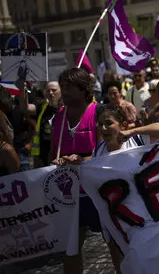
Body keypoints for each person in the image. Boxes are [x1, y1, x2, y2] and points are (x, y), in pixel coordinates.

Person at [92, 104, 159, 274]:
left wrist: (133, 131)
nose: (103, 128)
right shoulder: (98, 151)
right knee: (121, 262)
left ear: (122, 125)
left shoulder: (137, 141)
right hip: (117, 217)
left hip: (145, 214)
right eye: (100, 124)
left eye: (108, 123)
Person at [50, 68, 101, 274]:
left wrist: (84, 160)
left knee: (114, 241)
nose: (64, 92)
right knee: (69, 249)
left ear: (83, 89)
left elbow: (106, 154)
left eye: (69, 88)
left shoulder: (99, 113)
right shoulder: (58, 117)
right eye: (63, 87)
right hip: (69, 196)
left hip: (96, 192)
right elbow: (53, 152)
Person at [32, 81, 63, 168]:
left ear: (61, 91)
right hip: (42, 154)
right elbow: (26, 109)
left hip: (60, 155)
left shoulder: (66, 109)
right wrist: (23, 91)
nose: (51, 93)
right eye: (48, 90)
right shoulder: (41, 106)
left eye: (54, 90)